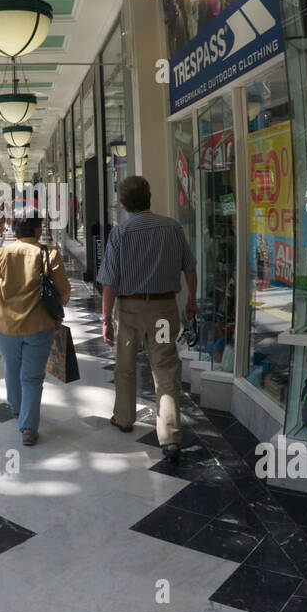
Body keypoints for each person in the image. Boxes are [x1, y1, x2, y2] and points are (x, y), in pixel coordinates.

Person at [98, 175, 197, 462]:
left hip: (129, 312)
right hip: (164, 310)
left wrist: (106, 318)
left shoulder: (120, 233)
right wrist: (191, 299)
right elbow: (189, 267)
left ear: (123, 203)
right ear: (149, 197)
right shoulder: (172, 228)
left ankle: (124, 417)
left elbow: (110, 283)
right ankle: (170, 437)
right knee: (165, 370)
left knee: (126, 366)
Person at [0, 215, 71, 446]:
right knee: (32, 376)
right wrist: (57, 312)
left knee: (11, 366)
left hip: (5, 326)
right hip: (39, 326)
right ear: (38, 230)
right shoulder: (49, 254)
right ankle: (28, 428)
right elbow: (64, 290)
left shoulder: (2, 254)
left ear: (15, 231)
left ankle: (16, 408)